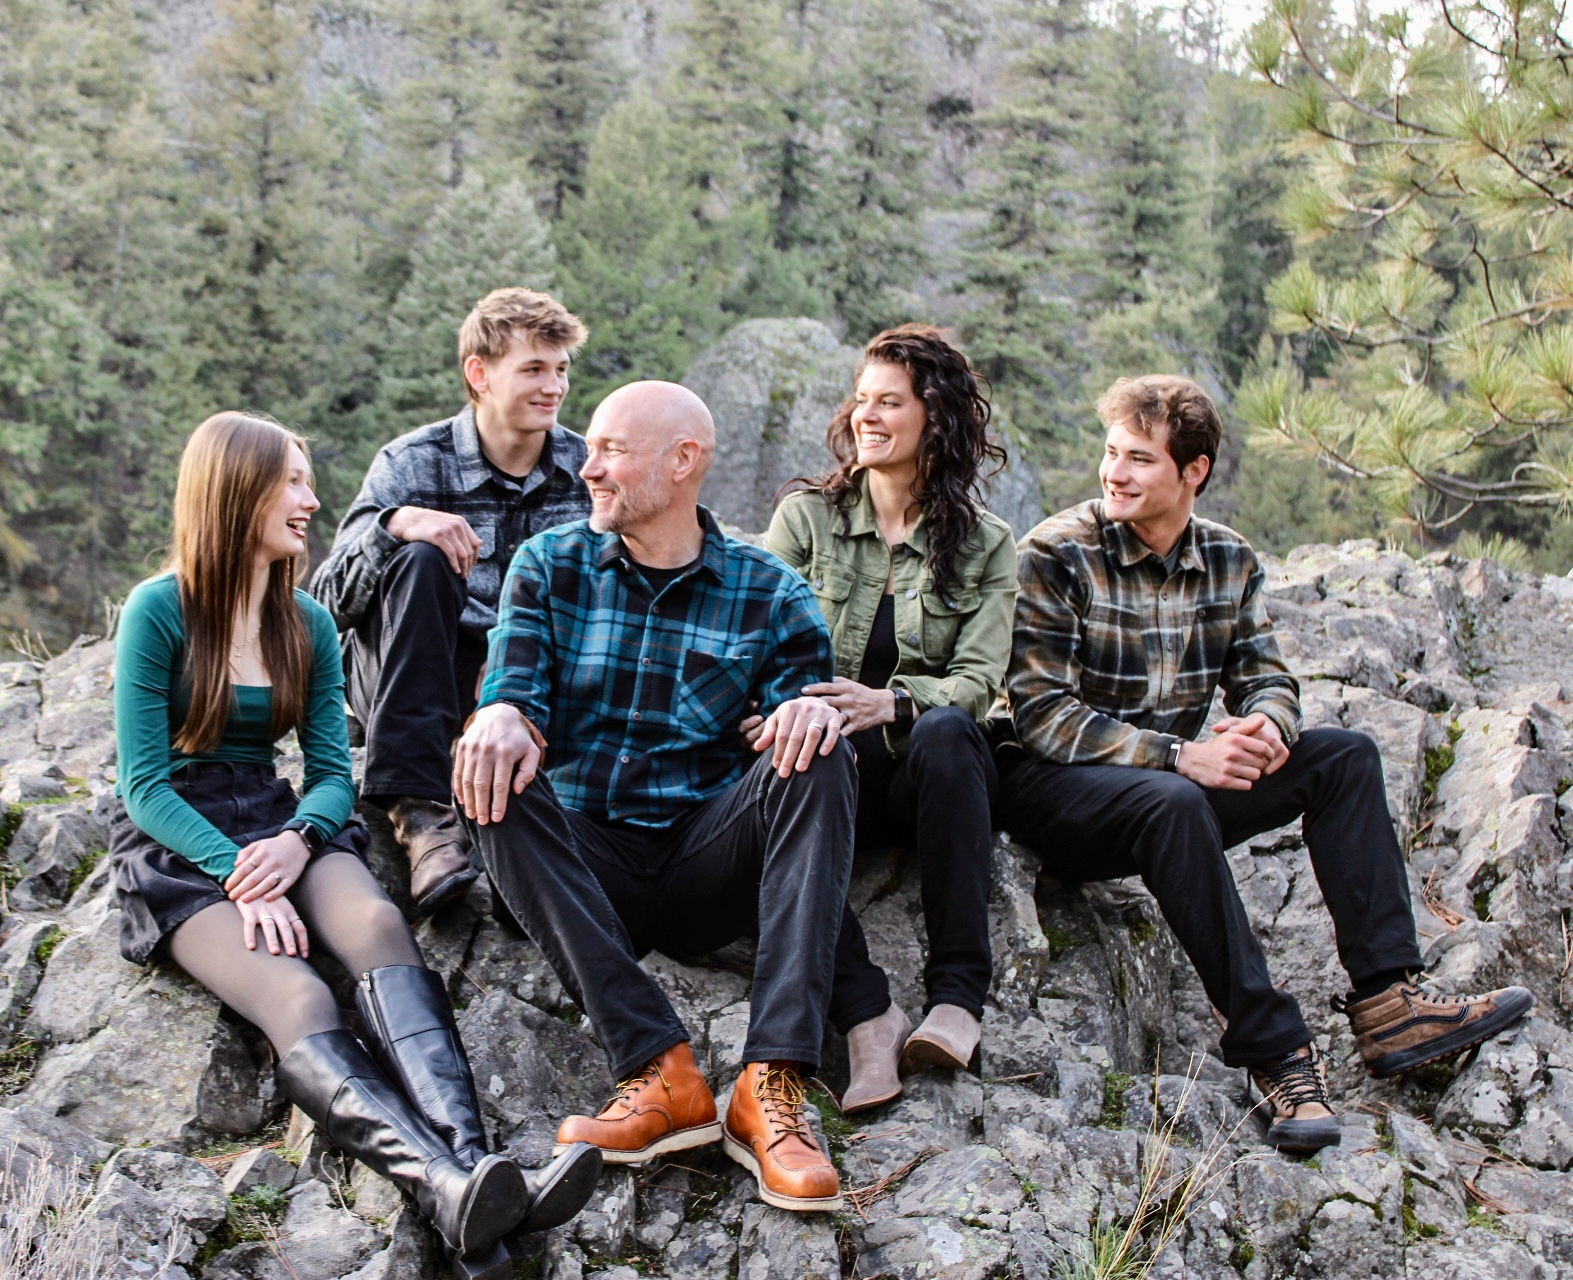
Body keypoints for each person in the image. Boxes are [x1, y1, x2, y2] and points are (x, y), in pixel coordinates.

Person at [111, 413, 600, 1273]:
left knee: (377, 928)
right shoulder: (159, 609)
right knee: (300, 999)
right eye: (292, 482)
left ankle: (469, 1171)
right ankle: (453, 1191)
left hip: (279, 818)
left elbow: (337, 770)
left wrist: (298, 842)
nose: (311, 499)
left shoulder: (303, 618)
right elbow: (143, 785)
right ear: (235, 491)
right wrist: (239, 876)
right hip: (182, 846)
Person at [996, 375, 1534, 1153]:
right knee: (1171, 801)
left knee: (1341, 757)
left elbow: (1266, 676)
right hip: (1057, 793)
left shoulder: (1227, 559)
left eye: (1139, 459)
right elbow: (1041, 715)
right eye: (1111, 453)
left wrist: (1264, 727)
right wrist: (1184, 756)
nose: (1114, 472)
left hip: (1167, 790)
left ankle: (1389, 1004)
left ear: (1194, 471)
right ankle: (1274, 1051)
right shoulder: (1053, 554)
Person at [451, 380, 856, 1212]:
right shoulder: (549, 566)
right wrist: (496, 711)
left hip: (705, 861)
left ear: (682, 462)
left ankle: (769, 1084)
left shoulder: (770, 591)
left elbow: (788, 718)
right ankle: (658, 1068)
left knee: (822, 751)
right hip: (586, 866)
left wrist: (807, 710)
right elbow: (515, 688)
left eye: (610, 450)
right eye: (590, 447)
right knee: (488, 768)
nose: (587, 468)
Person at [763, 325, 1017, 1113]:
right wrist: (787, 708)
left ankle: (955, 1001)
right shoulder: (806, 520)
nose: (867, 416)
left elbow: (979, 679)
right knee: (783, 766)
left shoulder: (983, 545)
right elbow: (756, 641)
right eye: (862, 400)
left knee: (948, 732)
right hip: (819, 764)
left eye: (890, 402)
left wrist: (893, 703)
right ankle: (869, 1017)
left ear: (934, 417)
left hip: (917, 778)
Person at [312, 288, 592, 916]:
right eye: (534, 369)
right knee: (423, 557)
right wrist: (396, 526)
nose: (554, 387)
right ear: (479, 374)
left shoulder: (587, 468)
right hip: (407, 669)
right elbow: (325, 604)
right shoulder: (411, 463)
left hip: (527, 681)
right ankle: (419, 815)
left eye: (562, 369)